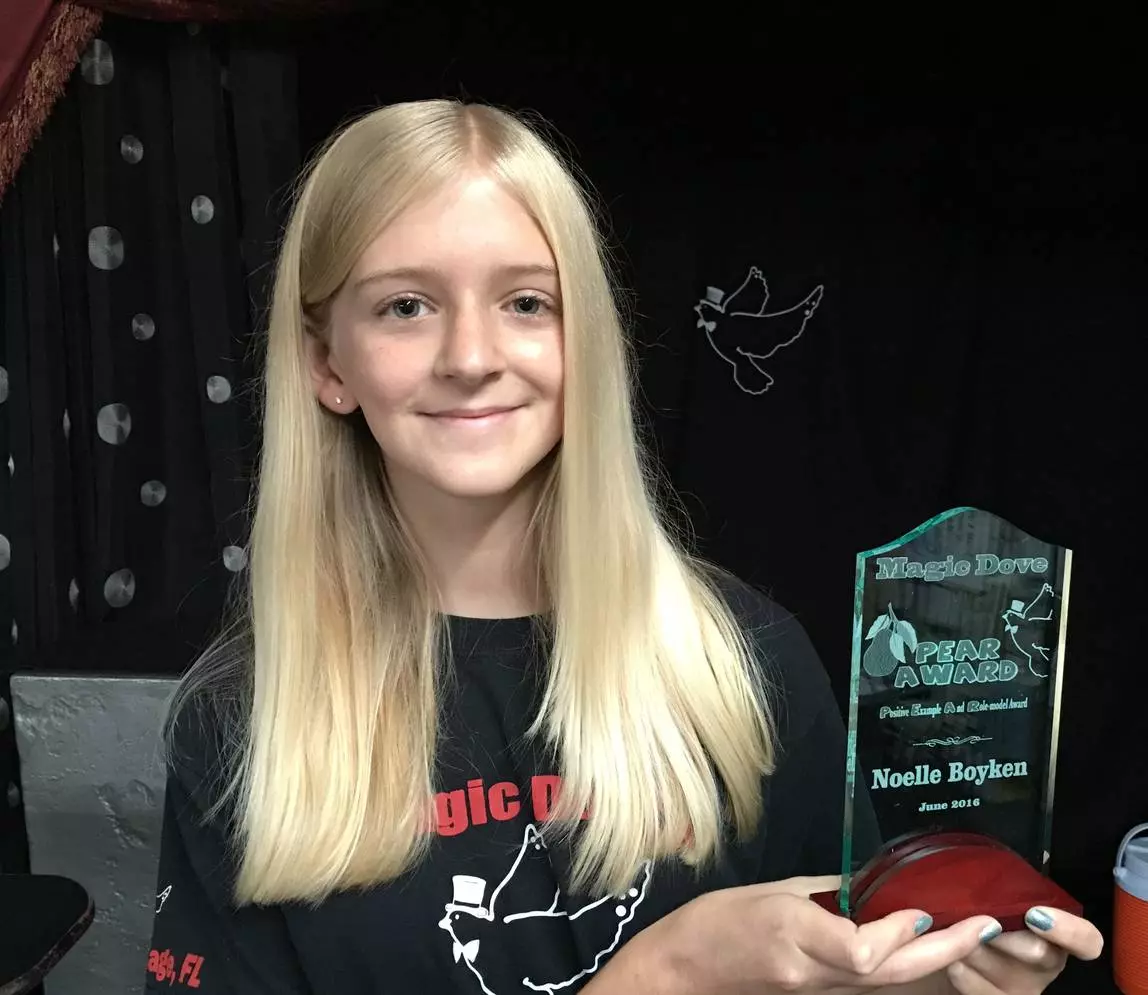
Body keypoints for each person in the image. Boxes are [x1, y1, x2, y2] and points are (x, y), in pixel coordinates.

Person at [144, 99, 1102, 995]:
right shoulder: (242, 725)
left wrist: (936, 975)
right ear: (327, 363)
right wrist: (667, 970)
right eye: (406, 306)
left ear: (584, 336)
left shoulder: (747, 663)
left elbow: (847, 963)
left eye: (526, 301)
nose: (472, 356)